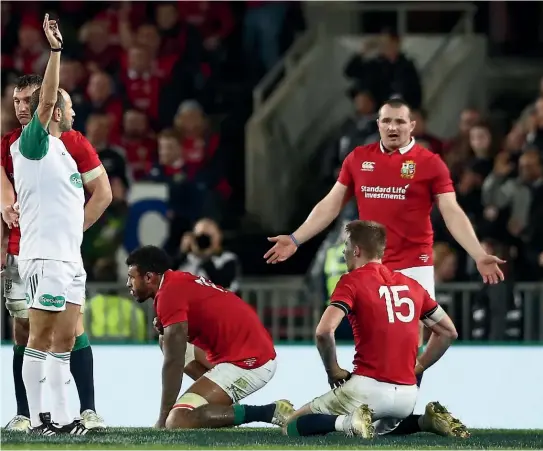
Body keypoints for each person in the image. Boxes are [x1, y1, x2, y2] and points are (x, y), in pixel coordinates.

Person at [265, 98, 504, 436]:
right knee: (372, 342)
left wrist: (478, 253)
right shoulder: (358, 159)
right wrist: (296, 238)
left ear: (412, 126)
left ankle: (392, 418)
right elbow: (331, 204)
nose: (393, 127)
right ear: (377, 124)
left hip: (413, 266)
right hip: (371, 264)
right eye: (386, 121)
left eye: (400, 122)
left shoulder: (429, 163)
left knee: (410, 345)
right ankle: (395, 417)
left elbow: (451, 211)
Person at [9, 15, 110, 435]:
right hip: (45, 256)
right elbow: (47, 101)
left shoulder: (67, 151)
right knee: (41, 337)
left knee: (65, 341)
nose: (69, 110)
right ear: (51, 112)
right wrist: (55, 52)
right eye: (64, 105)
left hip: (69, 259)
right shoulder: (30, 144)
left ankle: (66, 418)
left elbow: (94, 198)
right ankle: (36, 421)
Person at [284, 220, 464, 438]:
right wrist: (418, 366)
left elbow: (323, 331)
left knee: (294, 424)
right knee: (377, 431)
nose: (344, 253)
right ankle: (425, 421)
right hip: (407, 396)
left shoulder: (352, 281)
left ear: (357, 250)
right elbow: (448, 332)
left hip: (367, 388)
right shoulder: (411, 284)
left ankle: (347, 422)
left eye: (347, 247)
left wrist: (333, 371)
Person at [125, 245, 293, 430]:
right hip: (244, 351)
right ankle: (223, 411)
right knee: (166, 340)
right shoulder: (175, 281)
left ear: (149, 277)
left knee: (178, 420)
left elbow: (174, 361)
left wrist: (163, 419)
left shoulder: (168, 295)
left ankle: (268, 411)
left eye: (132, 277)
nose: (128, 283)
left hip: (250, 363)